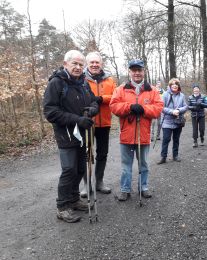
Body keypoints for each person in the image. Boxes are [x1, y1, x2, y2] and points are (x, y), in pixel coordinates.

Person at [43, 50, 99, 223]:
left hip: (84, 135)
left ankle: (74, 199)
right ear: (65, 64)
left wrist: (92, 109)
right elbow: (50, 112)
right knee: (69, 170)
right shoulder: (56, 83)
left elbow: (93, 100)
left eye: (81, 64)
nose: (78, 67)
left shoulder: (83, 82)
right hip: (66, 135)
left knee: (81, 169)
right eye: (74, 63)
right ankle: (62, 207)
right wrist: (77, 120)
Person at [109, 59, 163, 201]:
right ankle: (125, 189)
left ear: (144, 71)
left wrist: (144, 109)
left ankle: (143, 187)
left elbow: (158, 109)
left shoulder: (153, 90)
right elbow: (114, 106)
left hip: (143, 135)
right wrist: (130, 107)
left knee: (144, 164)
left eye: (139, 70)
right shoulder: (120, 89)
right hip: (126, 135)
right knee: (126, 165)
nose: (137, 73)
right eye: (134, 70)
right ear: (130, 72)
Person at [80, 51, 116, 198]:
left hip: (104, 122)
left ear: (101, 64)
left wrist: (101, 98)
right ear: (87, 64)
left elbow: (115, 96)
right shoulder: (81, 79)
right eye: (92, 62)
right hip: (87, 121)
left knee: (102, 153)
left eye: (97, 62)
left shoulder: (109, 79)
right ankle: (86, 185)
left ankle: (99, 182)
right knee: (86, 153)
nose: (95, 65)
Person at [157, 78, 188, 164]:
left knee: (176, 139)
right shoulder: (165, 95)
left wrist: (178, 110)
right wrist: (172, 111)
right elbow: (161, 108)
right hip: (167, 121)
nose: (175, 85)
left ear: (178, 86)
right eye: (173, 84)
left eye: (176, 84)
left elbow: (185, 107)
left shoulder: (181, 95)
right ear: (170, 86)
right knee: (166, 139)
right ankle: (163, 157)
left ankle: (175, 155)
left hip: (178, 121)